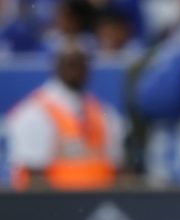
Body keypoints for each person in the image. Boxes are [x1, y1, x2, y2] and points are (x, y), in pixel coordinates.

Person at [7, 44, 124, 190]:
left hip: (100, 201)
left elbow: (117, 167)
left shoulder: (103, 113)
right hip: (54, 205)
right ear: (55, 67)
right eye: (70, 64)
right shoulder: (34, 113)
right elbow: (33, 175)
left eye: (81, 65)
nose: (76, 71)